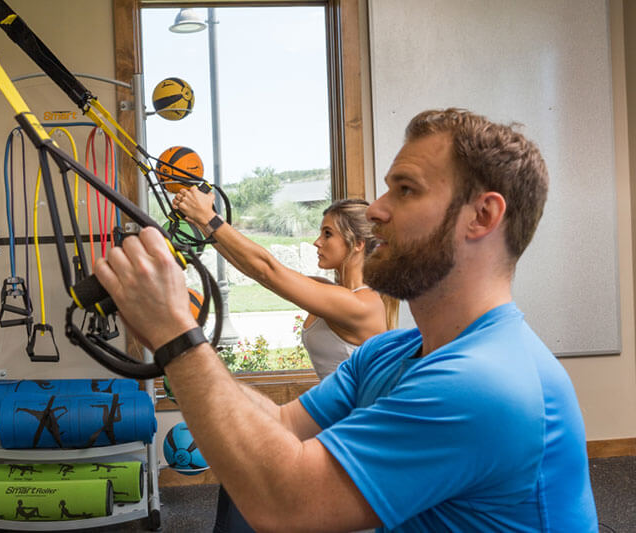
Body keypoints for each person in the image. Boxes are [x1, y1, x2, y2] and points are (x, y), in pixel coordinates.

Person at [93, 108, 597, 531]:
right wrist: (175, 342)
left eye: (405, 190)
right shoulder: (387, 353)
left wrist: (177, 339)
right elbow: (283, 425)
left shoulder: (488, 383)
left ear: (482, 216)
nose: (375, 210)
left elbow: (285, 501)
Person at [170, 191, 398, 379]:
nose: (317, 242)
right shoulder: (329, 291)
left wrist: (209, 218)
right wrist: (204, 224)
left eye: (328, 234)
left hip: (358, 417)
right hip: (337, 414)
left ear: (357, 244)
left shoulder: (363, 305)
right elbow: (258, 271)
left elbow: (268, 270)